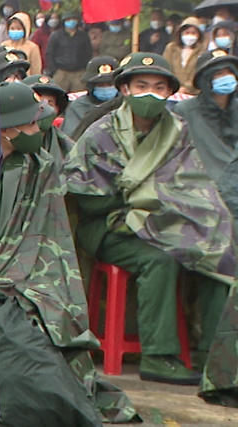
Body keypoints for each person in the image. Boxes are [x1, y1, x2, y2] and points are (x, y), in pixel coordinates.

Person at [64, 52, 234, 385]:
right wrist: (133, 195)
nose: (150, 94)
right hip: (107, 229)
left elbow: (192, 185)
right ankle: (158, 357)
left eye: (159, 87)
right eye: (141, 85)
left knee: (219, 253)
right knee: (160, 261)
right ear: (125, 89)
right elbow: (82, 196)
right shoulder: (102, 133)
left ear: (170, 93)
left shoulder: (178, 132)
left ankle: (214, 356)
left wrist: (162, 204)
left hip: (165, 224)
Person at [0, 83, 136, 424]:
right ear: (6, 129)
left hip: (25, 279)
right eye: (32, 124)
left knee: (43, 338)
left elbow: (42, 234)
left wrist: (12, 284)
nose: (38, 131)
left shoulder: (37, 167)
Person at [174, 51, 238, 215]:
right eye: (218, 73)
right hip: (206, 197)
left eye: (229, 72)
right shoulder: (186, 111)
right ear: (205, 79)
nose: (226, 77)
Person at [23, 74, 75, 168]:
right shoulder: (4, 143)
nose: (43, 108)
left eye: (50, 104)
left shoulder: (68, 148)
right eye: (38, 102)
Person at [61, 56, 119, 137]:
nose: (106, 88)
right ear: (91, 86)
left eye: (110, 84)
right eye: (100, 85)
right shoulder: (78, 107)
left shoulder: (126, 104)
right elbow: (70, 138)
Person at [45, 12, 93, 92]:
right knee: (58, 95)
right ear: (64, 21)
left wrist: (85, 69)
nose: (71, 21)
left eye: (74, 19)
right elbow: (49, 53)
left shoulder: (83, 36)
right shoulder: (56, 35)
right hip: (61, 72)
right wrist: (54, 70)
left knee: (78, 96)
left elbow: (88, 53)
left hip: (79, 72)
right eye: (68, 19)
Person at [164, 16, 206, 94]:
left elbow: (201, 73)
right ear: (180, 33)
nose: (190, 36)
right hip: (171, 92)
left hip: (193, 94)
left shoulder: (203, 51)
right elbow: (165, 68)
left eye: (193, 33)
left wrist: (187, 88)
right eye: (187, 32)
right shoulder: (171, 48)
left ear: (199, 35)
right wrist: (174, 87)